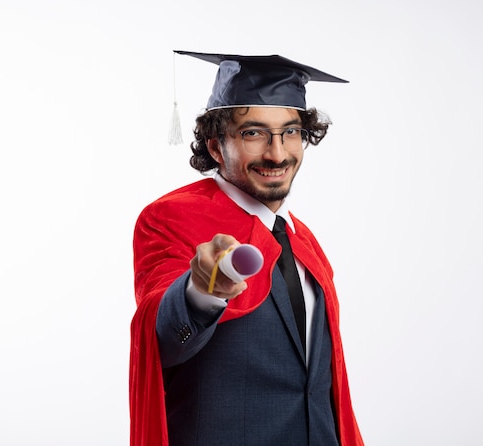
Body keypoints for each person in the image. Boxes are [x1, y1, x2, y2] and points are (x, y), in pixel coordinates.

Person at [130, 50, 364, 446]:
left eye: (290, 132)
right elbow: (163, 337)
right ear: (217, 146)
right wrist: (200, 292)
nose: (278, 153)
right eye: (254, 133)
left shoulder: (301, 239)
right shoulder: (171, 217)